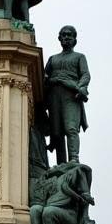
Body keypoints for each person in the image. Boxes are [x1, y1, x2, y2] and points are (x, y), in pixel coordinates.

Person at [44, 26, 90, 164]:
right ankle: (61, 163)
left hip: (71, 95)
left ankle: (74, 159)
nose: (66, 37)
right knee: (57, 132)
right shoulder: (53, 59)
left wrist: (81, 87)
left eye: (69, 35)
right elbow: (45, 76)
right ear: (59, 38)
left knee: (71, 128)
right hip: (54, 96)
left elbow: (85, 75)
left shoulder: (79, 57)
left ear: (75, 39)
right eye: (63, 35)